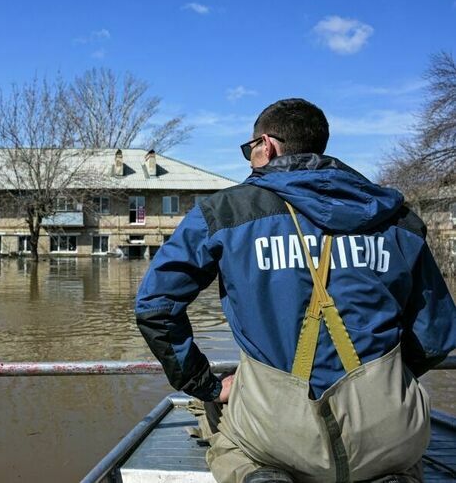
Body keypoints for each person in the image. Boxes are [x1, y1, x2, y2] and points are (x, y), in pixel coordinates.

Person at [134, 98, 456, 483]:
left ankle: (260, 473)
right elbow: (436, 333)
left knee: (235, 448)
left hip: (275, 432)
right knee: (397, 454)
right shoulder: (396, 217)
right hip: (388, 429)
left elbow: (155, 307)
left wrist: (204, 382)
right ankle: (391, 473)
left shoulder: (225, 213)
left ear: (265, 146)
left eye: (248, 149)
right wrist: (383, 382)